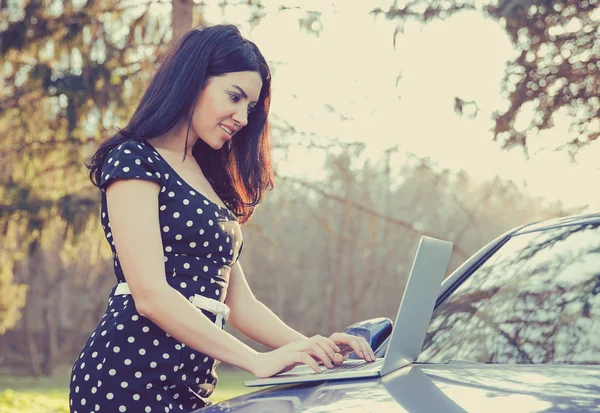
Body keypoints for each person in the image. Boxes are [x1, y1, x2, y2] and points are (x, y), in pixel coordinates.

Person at [69, 24, 375, 413]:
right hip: (127, 380)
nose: (243, 118)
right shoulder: (135, 159)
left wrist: (314, 348)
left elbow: (238, 301)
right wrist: (255, 359)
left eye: (249, 107)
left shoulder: (205, 178)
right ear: (194, 80)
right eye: (234, 96)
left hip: (190, 387)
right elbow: (150, 295)